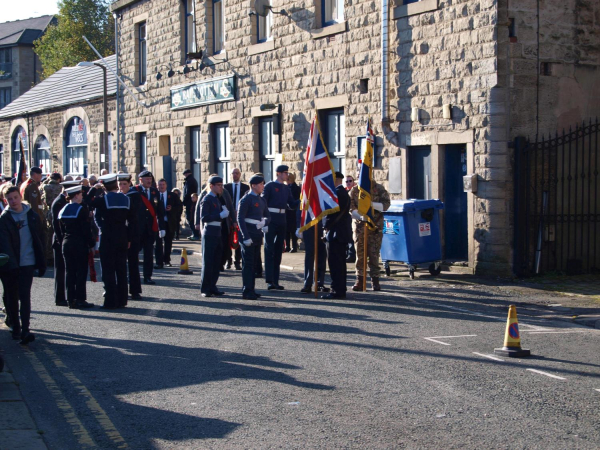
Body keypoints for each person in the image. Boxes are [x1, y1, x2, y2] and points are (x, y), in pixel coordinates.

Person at [0, 186, 46, 344]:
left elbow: (40, 237)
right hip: (10, 265)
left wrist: (41, 261)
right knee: (12, 297)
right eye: (9, 199)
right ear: (6, 200)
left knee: (25, 296)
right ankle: (15, 326)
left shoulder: (32, 215)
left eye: (15, 198)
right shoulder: (4, 218)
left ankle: (26, 329)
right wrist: (12, 265)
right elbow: (5, 244)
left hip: (28, 262)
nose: (13, 201)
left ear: (20, 197)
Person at [87, 174, 134, 309]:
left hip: (107, 236)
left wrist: (93, 189)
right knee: (121, 269)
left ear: (104, 186)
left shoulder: (103, 200)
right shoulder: (126, 199)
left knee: (108, 270)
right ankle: (122, 299)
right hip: (123, 236)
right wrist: (129, 238)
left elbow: (88, 201)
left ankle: (110, 301)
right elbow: (132, 221)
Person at [261, 165, 300, 290]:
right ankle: (270, 280)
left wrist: (302, 199)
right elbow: (263, 203)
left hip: (282, 219)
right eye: (285, 173)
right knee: (269, 249)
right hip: (271, 219)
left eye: (287, 173)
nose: (287, 175)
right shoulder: (269, 186)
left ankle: (276, 281)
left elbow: (292, 204)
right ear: (278, 173)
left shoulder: (286, 188)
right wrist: (263, 220)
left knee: (279, 250)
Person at [349, 176, 391, 291]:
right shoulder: (355, 190)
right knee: (360, 254)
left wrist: (371, 204)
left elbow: (386, 204)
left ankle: (375, 280)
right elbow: (351, 208)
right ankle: (360, 280)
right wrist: (362, 216)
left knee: (374, 254)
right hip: (360, 227)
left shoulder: (379, 189)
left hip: (375, 226)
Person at [58, 185, 95, 309]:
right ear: (76, 195)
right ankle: (80, 299)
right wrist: (91, 243)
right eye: (80, 194)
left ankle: (70, 299)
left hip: (66, 242)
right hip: (79, 243)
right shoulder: (81, 209)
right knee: (81, 271)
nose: (82, 196)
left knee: (70, 271)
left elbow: (60, 229)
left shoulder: (62, 210)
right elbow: (85, 229)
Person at [237, 174, 270, 300]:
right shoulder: (246, 200)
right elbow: (240, 218)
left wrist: (265, 222)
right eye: (261, 184)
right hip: (248, 235)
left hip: (257, 235)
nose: (263, 186)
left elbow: (268, 215)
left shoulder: (262, 200)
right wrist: (245, 236)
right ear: (253, 185)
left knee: (255, 264)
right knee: (248, 264)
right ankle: (247, 290)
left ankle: (252, 289)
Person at [51, 180, 82, 307]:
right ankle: (60, 298)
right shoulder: (59, 202)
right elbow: (56, 225)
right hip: (60, 240)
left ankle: (69, 296)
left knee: (66, 269)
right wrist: (61, 239)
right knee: (60, 270)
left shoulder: (63, 201)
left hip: (65, 239)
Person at [322, 172, 353, 299]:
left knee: (335, 264)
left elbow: (330, 214)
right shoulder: (343, 192)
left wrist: (324, 225)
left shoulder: (337, 193)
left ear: (335, 180)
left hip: (336, 234)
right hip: (340, 233)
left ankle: (337, 290)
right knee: (340, 264)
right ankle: (340, 288)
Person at [199, 176, 229, 297]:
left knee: (217, 262)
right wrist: (220, 215)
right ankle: (205, 288)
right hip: (210, 231)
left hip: (217, 232)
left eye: (222, 185)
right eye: (219, 185)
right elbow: (204, 217)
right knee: (208, 262)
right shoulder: (207, 199)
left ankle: (212, 286)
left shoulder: (217, 199)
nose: (221, 187)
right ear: (211, 186)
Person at [133, 171, 165, 284]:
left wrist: (162, 227)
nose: (149, 181)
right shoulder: (134, 191)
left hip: (150, 229)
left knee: (148, 254)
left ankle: (147, 276)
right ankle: (133, 277)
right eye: (147, 179)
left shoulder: (154, 192)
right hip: (137, 228)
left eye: (150, 179)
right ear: (140, 180)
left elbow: (160, 210)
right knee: (133, 254)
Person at [119, 174, 143, 300]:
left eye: (124, 184)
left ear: (129, 184)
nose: (122, 186)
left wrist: (130, 237)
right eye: (120, 184)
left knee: (133, 263)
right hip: (119, 234)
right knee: (119, 264)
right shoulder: (116, 197)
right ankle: (119, 289)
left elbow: (133, 217)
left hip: (132, 234)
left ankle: (135, 290)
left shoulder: (134, 196)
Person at [297, 211, 329, 295]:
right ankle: (307, 283)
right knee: (310, 254)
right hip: (309, 224)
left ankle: (319, 282)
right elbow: (301, 209)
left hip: (322, 225)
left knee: (322, 255)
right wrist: (298, 226)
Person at [224, 168, 249, 270]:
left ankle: (237, 261)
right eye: (233, 173)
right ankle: (228, 260)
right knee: (228, 238)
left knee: (239, 238)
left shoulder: (245, 187)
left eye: (237, 173)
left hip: (241, 216)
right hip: (228, 216)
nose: (235, 175)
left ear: (240, 175)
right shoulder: (226, 187)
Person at [155, 178, 182, 267]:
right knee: (158, 242)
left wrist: (172, 209)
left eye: (163, 185)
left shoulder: (173, 195)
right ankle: (159, 262)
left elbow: (179, 207)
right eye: (160, 185)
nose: (162, 186)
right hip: (158, 222)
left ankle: (167, 260)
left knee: (168, 242)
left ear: (166, 186)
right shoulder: (154, 195)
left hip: (169, 222)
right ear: (157, 186)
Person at [285, 172, 301, 253]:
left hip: (294, 212)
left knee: (293, 229)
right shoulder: (285, 187)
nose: (286, 181)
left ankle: (294, 246)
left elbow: (298, 200)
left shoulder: (297, 188)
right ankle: (287, 245)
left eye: (288, 179)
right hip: (286, 211)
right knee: (286, 230)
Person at [183, 169, 199, 241]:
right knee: (190, 218)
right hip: (190, 201)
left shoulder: (189, 181)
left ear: (187, 174)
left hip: (190, 202)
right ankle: (194, 233)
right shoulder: (192, 180)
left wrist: (184, 201)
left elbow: (188, 192)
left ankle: (195, 234)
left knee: (190, 218)